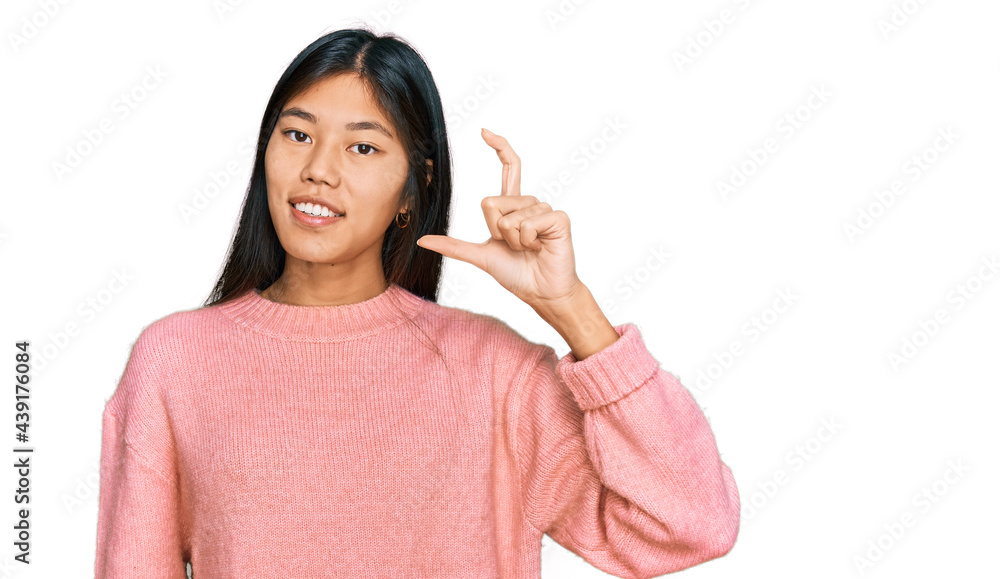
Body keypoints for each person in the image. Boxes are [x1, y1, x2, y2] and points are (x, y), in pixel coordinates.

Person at [94, 28, 740, 579]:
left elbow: (692, 523)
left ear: (413, 186)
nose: (319, 169)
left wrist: (571, 307)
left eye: (363, 146)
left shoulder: (496, 373)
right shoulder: (175, 361)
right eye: (296, 134)